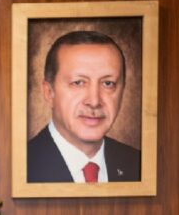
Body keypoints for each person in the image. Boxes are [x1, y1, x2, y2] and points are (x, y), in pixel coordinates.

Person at [26, 29, 142, 185]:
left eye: (108, 84)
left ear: (122, 91)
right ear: (49, 92)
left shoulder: (138, 165)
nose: (94, 101)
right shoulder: (23, 165)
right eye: (78, 83)